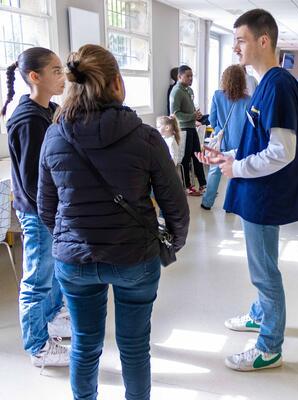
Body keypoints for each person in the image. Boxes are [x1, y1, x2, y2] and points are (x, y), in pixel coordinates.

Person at [37, 44, 189, 400]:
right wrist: (171, 244)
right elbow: (175, 205)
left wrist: (66, 238)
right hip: (135, 257)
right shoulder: (145, 137)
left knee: (85, 346)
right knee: (135, 349)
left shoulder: (54, 136)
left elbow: (46, 207)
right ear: (117, 83)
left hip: (75, 261)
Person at [197, 9, 298, 371]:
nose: (235, 50)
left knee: (264, 272)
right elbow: (257, 142)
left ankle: (269, 346)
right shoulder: (265, 85)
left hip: (265, 195)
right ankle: (261, 314)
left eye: (240, 41)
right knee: (266, 264)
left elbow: (282, 152)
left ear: (263, 40)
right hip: (257, 192)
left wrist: (237, 167)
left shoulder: (277, 85)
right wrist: (225, 156)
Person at [1, 47, 71, 368]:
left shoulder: (47, 110)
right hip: (38, 212)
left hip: (52, 211)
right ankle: (38, 345)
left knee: (54, 272)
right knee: (36, 280)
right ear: (35, 77)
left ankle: (53, 318)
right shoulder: (29, 119)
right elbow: (32, 181)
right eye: (56, 71)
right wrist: (52, 213)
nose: (63, 77)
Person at [201, 65, 251, 210]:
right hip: (239, 141)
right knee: (234, 172)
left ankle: (207, 202)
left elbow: (212, 119)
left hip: (220, 141)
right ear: (242, 80)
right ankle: (230, 205)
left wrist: (218, 130)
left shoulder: (217, 95)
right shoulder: (248, 100)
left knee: (214, 171)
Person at [170, 65, 207, 196]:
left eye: (192, 76)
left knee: (198, 156)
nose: (191, 78)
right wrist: (192, 116)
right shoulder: (176, 92)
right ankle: (188, 187)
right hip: (183, 130)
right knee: (185, 159)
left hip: (192, 128)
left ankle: (203, 185)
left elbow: (189, 109)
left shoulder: (189, 90)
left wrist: (196, 115)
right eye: (188, 76)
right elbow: (175, 114)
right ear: (179, 77)